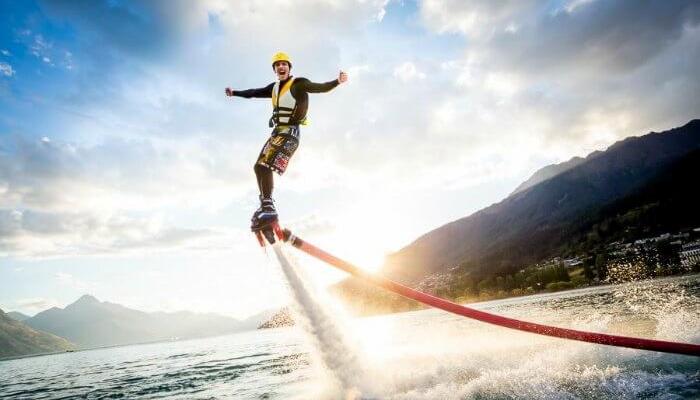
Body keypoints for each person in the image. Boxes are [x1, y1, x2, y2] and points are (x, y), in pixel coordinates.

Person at [225, 52, 348, 230]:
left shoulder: (298, 84)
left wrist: (337, 81)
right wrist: (234, 92)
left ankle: (269, 208)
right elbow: (253, 92)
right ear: (274, 69)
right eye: (278, 65)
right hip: (277, 134)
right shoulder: (273, 88)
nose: (281, 67)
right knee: (258, 166)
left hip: (290, 134)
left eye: (284, 64)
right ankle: (266, 204)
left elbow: (319, 88)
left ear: (289, 68)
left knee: (266, 165)